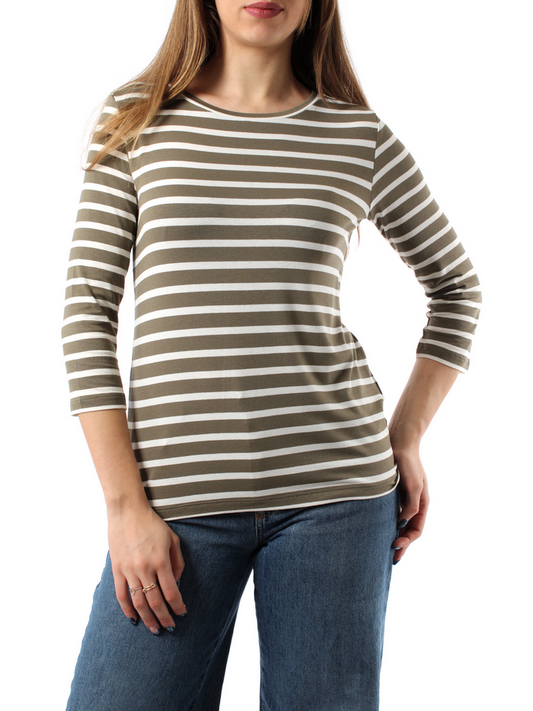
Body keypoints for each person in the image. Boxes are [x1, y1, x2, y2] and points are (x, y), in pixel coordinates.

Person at [61, 1, 481, 709]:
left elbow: (457, 287)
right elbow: (87, 312)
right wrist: (124, 505)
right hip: (174, 506)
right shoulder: (139, 120)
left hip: (338, 495)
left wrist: (406, 435)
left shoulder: (357, 136)